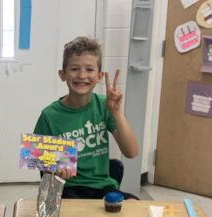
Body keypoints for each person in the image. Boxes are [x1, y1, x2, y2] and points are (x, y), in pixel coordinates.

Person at [33, 36, 139, 199]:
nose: (82, 75)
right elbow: (43, 167)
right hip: (68, 188)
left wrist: (116, 112)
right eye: (74, 69)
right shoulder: (49, 116)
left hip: (103, 187)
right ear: (62, 74)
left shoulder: (105, 106)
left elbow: (131, 152)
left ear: (99, 76)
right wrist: (56, 171)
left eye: (89, 69)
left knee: (133, 206)